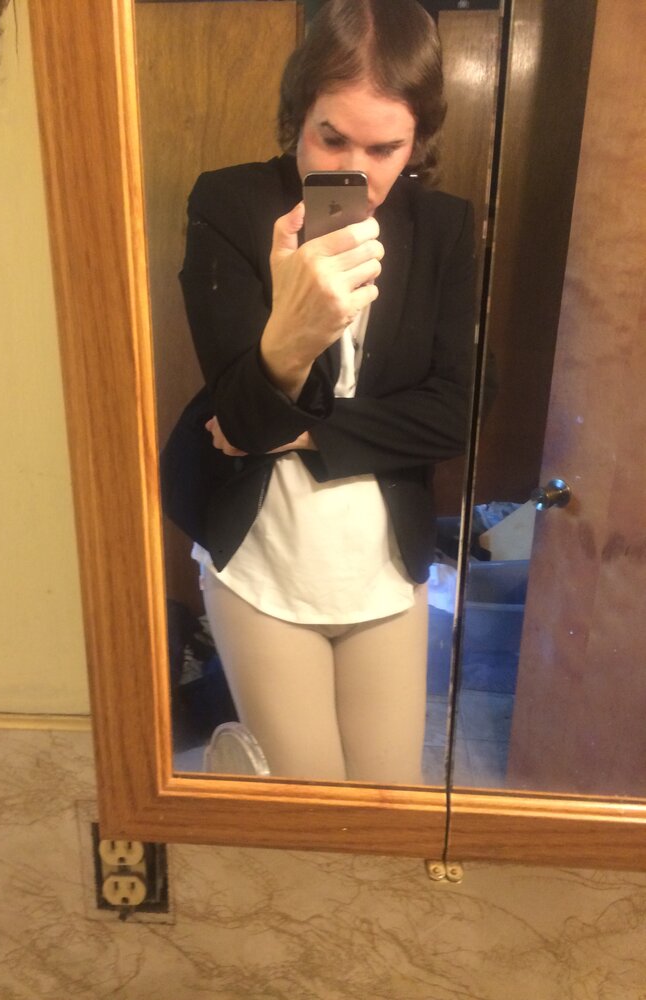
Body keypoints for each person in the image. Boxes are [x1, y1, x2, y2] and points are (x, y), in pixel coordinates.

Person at [166, 0, 476, 784]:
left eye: (385, 147)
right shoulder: (231, 206)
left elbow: (459, 411)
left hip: (383, 564)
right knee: (310, 801)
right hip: (260, 556)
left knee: (389, 803)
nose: (355, 172)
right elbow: (242, 419)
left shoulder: (442, 228)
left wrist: (305, 431)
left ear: (419, 142)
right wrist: (294, 330)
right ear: (297, 116)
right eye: (331, 138)